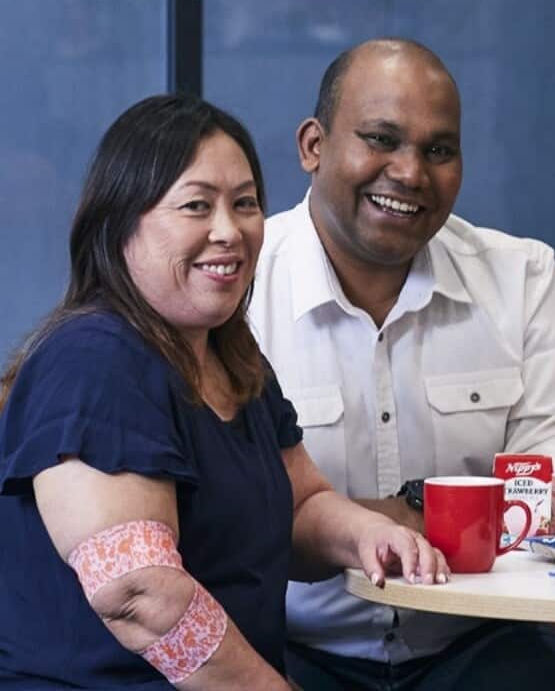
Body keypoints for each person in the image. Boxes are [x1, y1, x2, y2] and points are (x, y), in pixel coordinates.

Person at [0, 95, 440, 689]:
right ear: (121, 222)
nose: (229, 232)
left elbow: (300, 505)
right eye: (196, 206)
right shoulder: (93, 359)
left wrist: (368, 533)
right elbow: (136, 593)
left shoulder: (232, 356)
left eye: (245, 204)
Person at [247, 37, 555, 691]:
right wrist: (439, 512)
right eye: (381, 139)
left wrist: (406, 508)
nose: (411, 173)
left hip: (482, 638)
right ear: (312, 146)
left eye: (439, 150)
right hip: (287, 643)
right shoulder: (236, 288)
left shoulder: (520, 276)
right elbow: (235, 513)